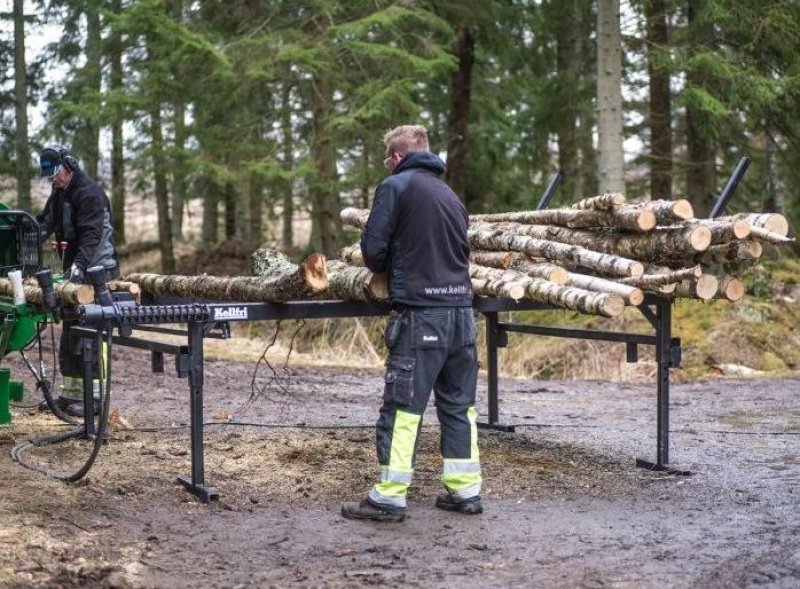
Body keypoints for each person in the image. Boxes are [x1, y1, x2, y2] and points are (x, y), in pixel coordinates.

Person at [341, 125, 482, 522]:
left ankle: (388, 496)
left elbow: (373, 252)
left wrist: (390, 265)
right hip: (462, 316)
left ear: (397, 158)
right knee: (459, 407)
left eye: (387, 160)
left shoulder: (395, 186)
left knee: (403, 409)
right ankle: (465, 491)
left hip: (422, 317)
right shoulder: (449, 194)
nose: (386, 166)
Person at [37, 145, 119, 417]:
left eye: (55, 173)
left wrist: (79, 267)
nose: (53, 179)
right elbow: (44, 223)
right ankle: (70, 394)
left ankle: (95, 399)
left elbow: (93, 237)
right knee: (71, 333)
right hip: (76, 271)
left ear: (68, 165)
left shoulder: (89, 194)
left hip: (99, 273)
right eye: (49, 176)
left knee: (92, 334)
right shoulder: (60, 193)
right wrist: (26, 240)